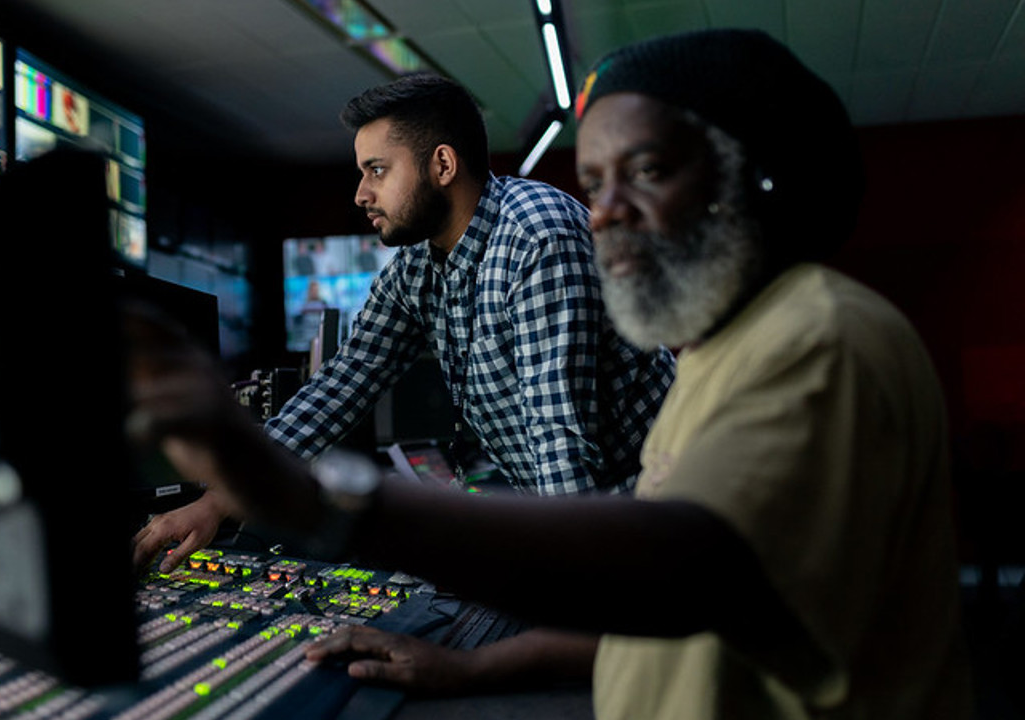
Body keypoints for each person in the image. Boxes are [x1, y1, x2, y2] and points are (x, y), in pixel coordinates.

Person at [127, 28, 972, 718]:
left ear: (757, 175)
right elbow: (347, 380)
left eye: (642, 173)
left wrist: (323, 501)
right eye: (594, 180)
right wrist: (224, 494)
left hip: (595, 550)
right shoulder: (723, 351)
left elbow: (661, 548)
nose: (600, 213)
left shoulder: (816, 336)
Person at [133, 72, 674, 573]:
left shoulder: (536, 238)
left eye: (377, 170)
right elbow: (342, 384)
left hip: (648, 516)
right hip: (581, 522)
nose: (360, 194)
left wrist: (569, 602)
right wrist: (217, 502)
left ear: (442, 165)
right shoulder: (419, 266)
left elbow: (562, 443)